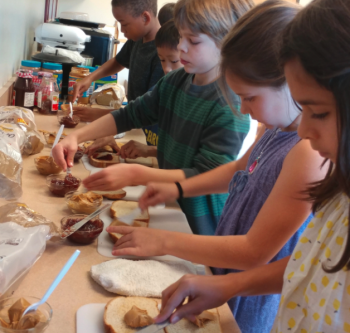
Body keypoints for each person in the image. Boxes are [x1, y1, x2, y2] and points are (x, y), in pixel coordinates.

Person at [107, 1, 326, 333]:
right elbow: (238, 170)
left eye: (249, 97)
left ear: (288, 82)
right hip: (225, 274)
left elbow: (255, 252)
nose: (242, 109)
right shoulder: (276, 129)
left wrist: (163, 241)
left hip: (250, 292)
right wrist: (177, 189)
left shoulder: (306, 152)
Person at [52, 0, 255, 236]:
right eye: (181, 37)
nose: (182, 47)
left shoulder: (230, 105)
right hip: (168, 202)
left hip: (199, 223)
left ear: (228, 44)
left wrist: (139, 174)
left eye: (194, 41)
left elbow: (208, 175)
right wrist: (76, 136)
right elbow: (132, 113)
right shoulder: (175, 81)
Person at [71, 0, 164, 123]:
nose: (122, 30)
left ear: (145, 18)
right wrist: (89, 78)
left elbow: (149, 109)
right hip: (132, 122)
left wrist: (101, 115)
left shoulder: (163, 54)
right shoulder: (137, 39)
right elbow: (118, 61)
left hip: (146, 131)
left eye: (124, 24)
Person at [119, 19, 183, 160]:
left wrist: (149, 152)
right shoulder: (166, 86)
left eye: (173, 61)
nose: (166, 68)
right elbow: (131, 114)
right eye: (161, 59)